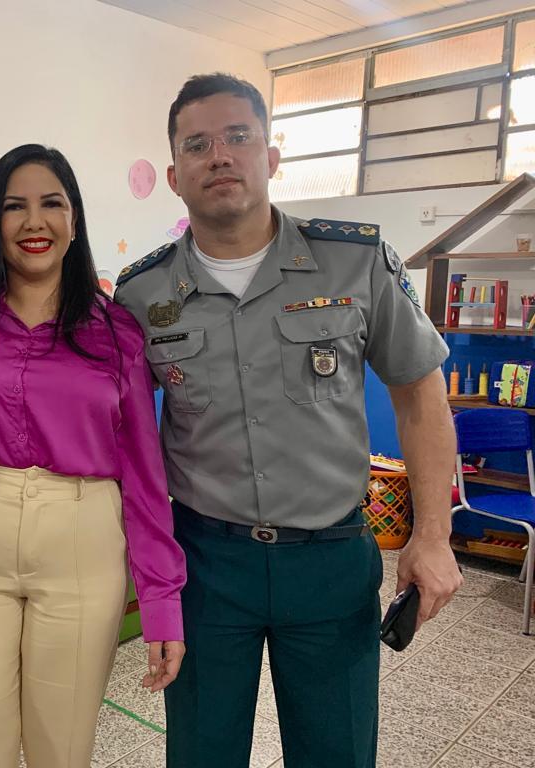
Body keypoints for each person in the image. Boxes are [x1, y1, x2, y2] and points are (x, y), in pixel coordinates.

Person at [113, 73, 463, 768]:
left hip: (330, 561)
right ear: (176, 174)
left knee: (336, 753)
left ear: (270, 157)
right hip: (207, 566)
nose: (220, 155)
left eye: (238, 137)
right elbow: (112, 427)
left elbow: (420, 393)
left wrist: (433, 533)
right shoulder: (142, 294)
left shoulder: (354, 261)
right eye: (197, 144)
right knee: (202, 755)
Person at [0, 144, 187, 768]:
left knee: (60, 748)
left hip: (81, 544)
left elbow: (145, 477)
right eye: (15, 207)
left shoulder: (115, 331)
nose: (34, 222)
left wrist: (161, 602)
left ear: (74, 220)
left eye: (51, 204)